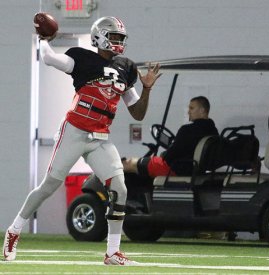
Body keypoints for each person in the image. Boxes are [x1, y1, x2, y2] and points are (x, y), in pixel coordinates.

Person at [3, 16, 162, 265]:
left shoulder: (127, 68)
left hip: (100, 138)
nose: (118, 42)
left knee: (120, 187)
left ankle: (112, 252)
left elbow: (137, 113)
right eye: (114, 37)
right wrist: (43, 39)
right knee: (48, 186)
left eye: (121, 38)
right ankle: (14, 230)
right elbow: (49, 59)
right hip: (74, 132)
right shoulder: (82, 57)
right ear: (99, 36)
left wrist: (147, 89)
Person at [122, 96, 218, 177]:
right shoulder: (213, 131)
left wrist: (165, 154)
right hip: (192, 169)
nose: (189, 112)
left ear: (202, 110)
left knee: (130, 162)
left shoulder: (187, 130)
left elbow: (168, 158)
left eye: (192, 108)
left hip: (176, 169)